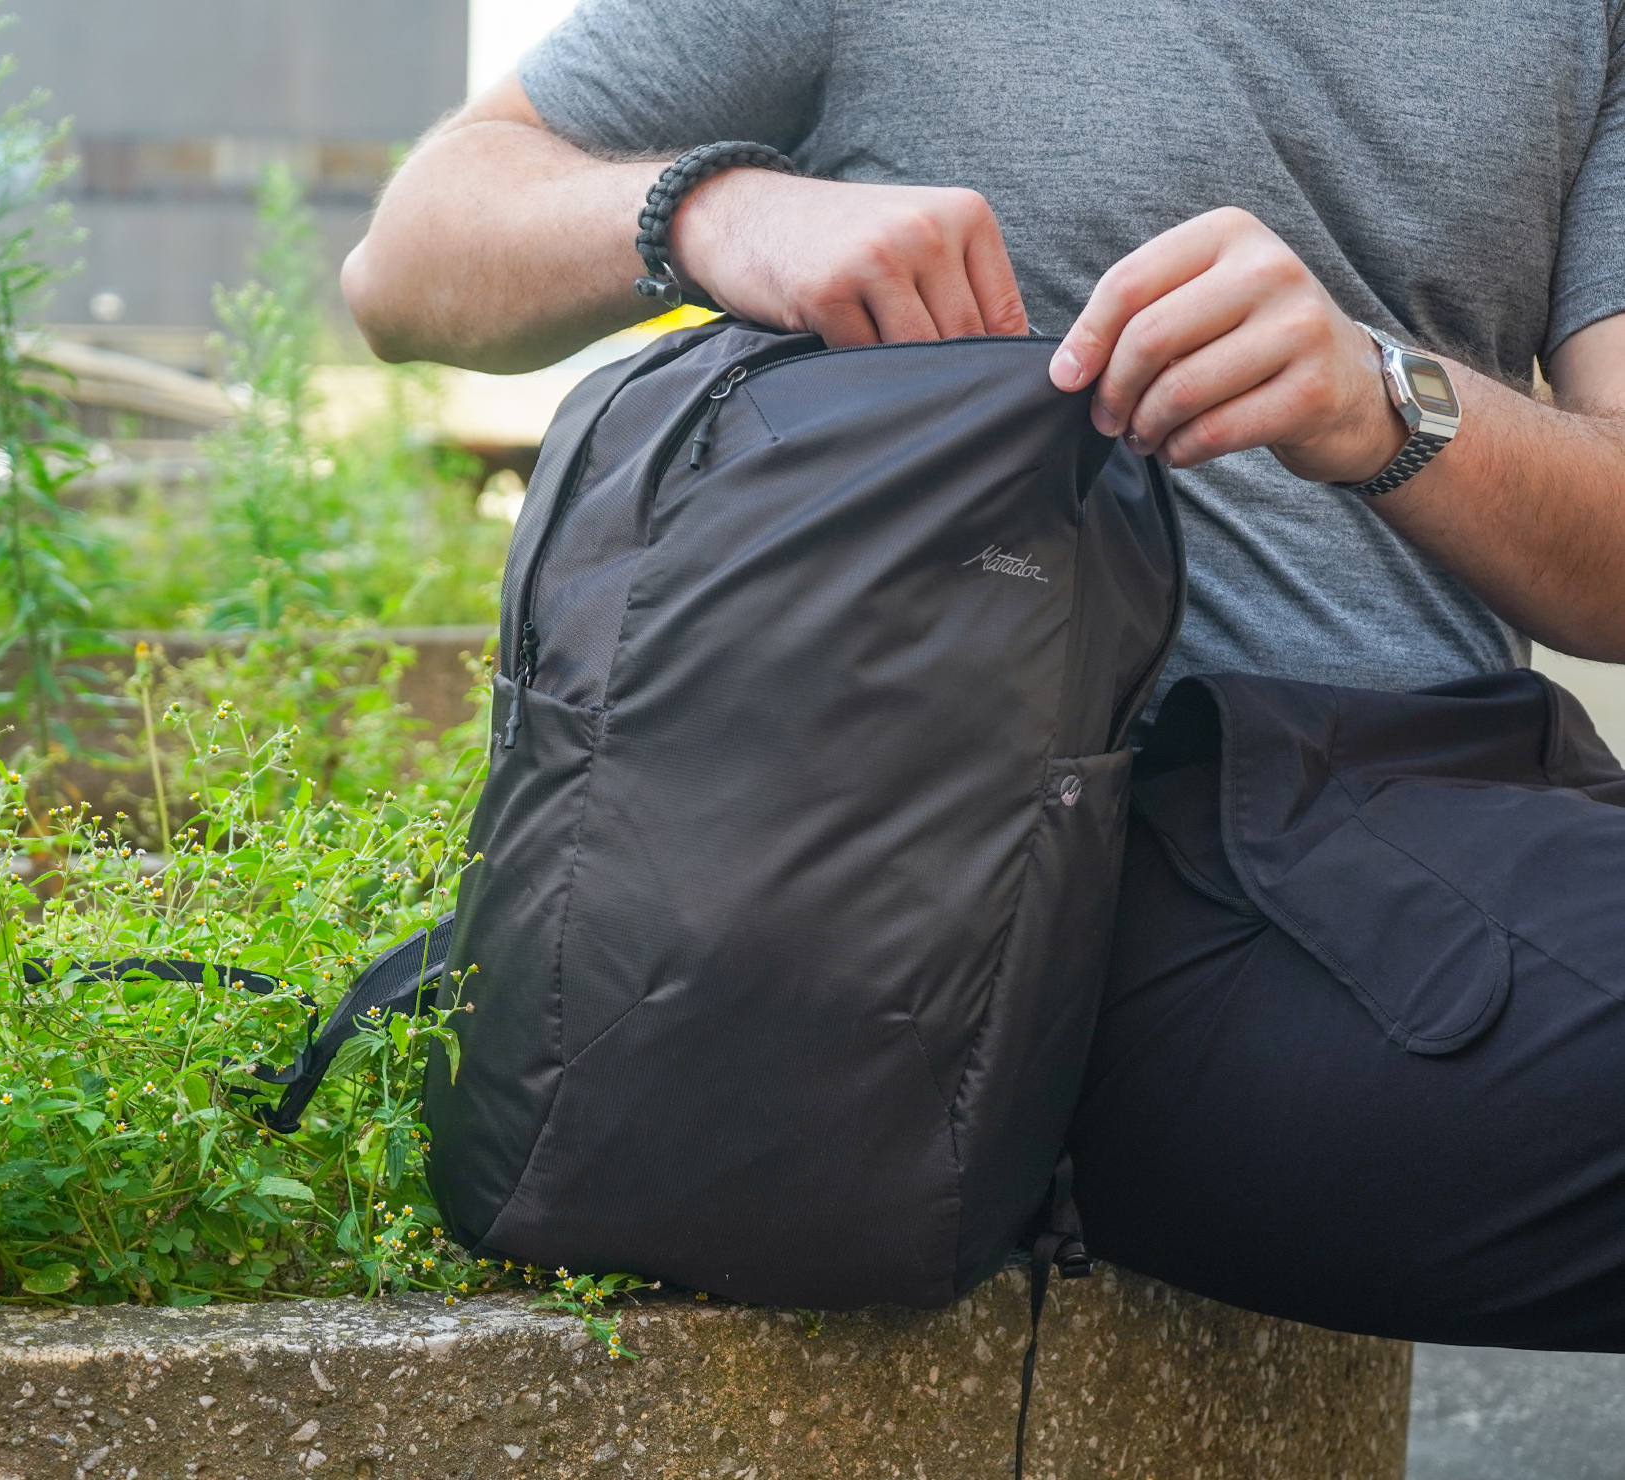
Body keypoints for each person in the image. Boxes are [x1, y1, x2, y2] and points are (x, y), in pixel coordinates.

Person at [341, 0, 1625, 1348]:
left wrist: (1389, 398)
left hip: (1469, 815)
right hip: (1041, 867)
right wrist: (716, 214)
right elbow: (409, 264)